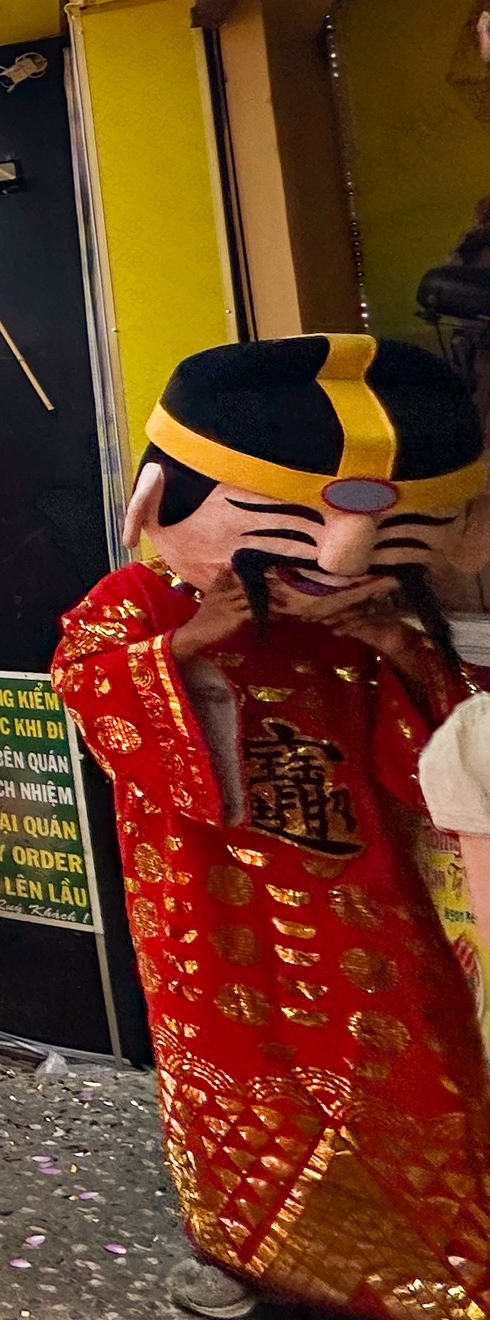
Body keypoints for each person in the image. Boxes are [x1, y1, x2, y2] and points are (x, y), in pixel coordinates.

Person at [52, 335, 490, 1320]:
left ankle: (430, 1274)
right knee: (241, 1081)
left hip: (366, 906)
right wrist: (188, 645)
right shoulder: (134, 605)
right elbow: (97, 703)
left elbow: (437, 774)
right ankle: (251, 1256)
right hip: (210, 913)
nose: (340, 561)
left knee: (411, 1067)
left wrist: (401, 653)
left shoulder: (368, 633)